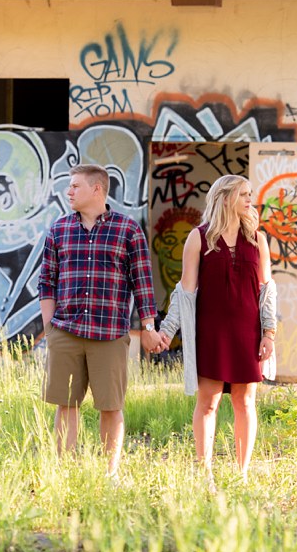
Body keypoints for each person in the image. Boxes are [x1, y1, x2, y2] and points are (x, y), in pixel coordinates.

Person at [38, 164, 165, 477]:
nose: (69, 192)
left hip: (109, 334)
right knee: (66, 405)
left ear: (97, 189)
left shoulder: (127, 229)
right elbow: (47, 281)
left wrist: (149, 328)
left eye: (75, 186)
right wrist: (50, 329)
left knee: (110, 406)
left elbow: (143, 283)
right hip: (65, 332)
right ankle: (65, 473)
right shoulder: (59, 229)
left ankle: (109, 475)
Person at [157, 175, 277, 479]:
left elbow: (267, 292)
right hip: (211, 335)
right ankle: (204, 473)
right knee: (208, 403)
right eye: (243, 195)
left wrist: (270, 332)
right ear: (225, 198)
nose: (250, 200)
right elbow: (184, 294)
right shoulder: (199, 237)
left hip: (248, 335)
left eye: (250, 195)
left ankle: (243, 474)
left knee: (245, 402)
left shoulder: (257, 239)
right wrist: (167, 331)